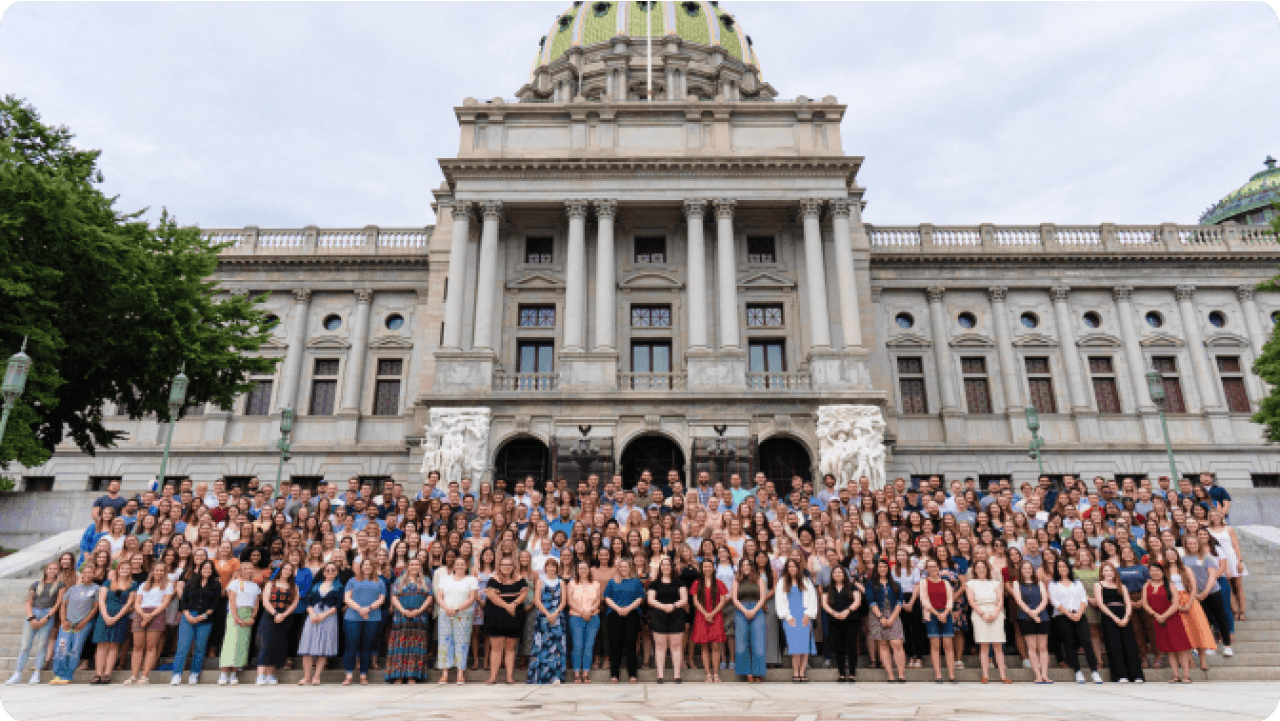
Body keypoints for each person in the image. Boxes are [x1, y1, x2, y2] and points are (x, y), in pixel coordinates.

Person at [8, 562, 65, 685]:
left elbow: (58, 603)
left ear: (58, 571)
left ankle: (37, 673)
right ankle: (17, 673)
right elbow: (28, 602)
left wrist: (47, 617)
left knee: (42, 645)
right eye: (50, 568)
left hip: (48, 613)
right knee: (25, 646)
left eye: (55, 569)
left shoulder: (60, 585)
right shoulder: (35, 584)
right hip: (33, 612)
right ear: (46, 570)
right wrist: (31, 618)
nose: (52, 570)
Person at [1048, 559, 1103, 684]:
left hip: (1079, 614)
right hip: (1062, 616)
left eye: (1064, 566)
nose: (1062, 568)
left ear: (1069, 568)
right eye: (1059, 566)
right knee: (1070, 643)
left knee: (1086, 641)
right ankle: (1077, 671)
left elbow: (1083, 598)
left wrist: (1078, 613)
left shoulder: (1077, 582)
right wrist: (1069, 614)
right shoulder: (1053, 583)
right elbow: (1055, 601)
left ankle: (1094, 671)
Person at [171, 560, 221, 685]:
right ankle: (176, 674)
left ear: (212, 570)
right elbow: (184, 600)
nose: (207, 570)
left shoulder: (216, 585)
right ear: (200, 569)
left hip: (205, 618)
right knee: (183, 646)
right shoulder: (191, 582)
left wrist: (201, 617)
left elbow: (214, 605)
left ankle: (194, 673)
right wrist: (187, 615)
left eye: (210, 568)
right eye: (205, 568)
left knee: (200, 647)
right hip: (188, 616)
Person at [49, 565, 100, 685]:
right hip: (67, 623)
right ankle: (58, 674)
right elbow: (63, 604)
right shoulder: (73, 588)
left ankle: (67, 675)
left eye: (90, 572)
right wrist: (63, 620)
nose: (87, 575)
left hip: (82, 624)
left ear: (94, 574)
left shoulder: (97, 588)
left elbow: (95, 608)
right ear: (81, 574)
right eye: (85, 572)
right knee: (61, 648)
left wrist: (84, 622)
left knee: (75, 650)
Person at [1142, 563, 1193, 683]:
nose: (1154, 572)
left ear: (1162, 572)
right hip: (1157, 620)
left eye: (1157, 570)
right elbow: (1145, 604)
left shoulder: (1170, 585)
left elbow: (1175, 604)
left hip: (1172, 618)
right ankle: (1175, 675)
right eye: (1152, 570)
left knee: (1181, 648)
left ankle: (1186, 675)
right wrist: (1156, 615)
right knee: (1169, 649)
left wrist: (1164, 615)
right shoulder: (1146, 586)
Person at [1093, 562, 1143, 683]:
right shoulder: (1098, 585)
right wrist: (1114, 617)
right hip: (1109, 616)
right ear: (1102, 573)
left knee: (1129, 645)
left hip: (1124, 615)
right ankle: (1121, 675)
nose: (1109, 573)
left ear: (1115, 573)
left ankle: (1136, 675)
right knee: (1114, 645)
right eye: (1106, 570)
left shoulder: (1122, 586)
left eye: (1111, 570)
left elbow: (1128, 603)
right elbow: (1100, 604)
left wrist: (1126, 617)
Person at [387, 557, 434, 684]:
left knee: (415, 647)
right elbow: (394, 597)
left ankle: (411, 675)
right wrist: (402, 610)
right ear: (408, 566)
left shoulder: (426, 580)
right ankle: (398, 675)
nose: (414, 567)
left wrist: (420, 610)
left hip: (419, 617)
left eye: (417, 564)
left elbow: (430, 597)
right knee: (400, 646)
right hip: (401, 617)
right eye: (412, 564)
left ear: (420, 566)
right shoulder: (399, 580)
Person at [125, 564, 174, 685]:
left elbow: (165, 603)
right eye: (156, 570)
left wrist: (150, 616)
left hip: (157, 613)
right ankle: (133, 676)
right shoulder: (143, 585)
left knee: (151, 647)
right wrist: (143, 614)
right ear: (152, 571)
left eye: (162, 570)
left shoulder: (168, 585)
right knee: (137, 647)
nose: (159, 572)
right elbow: (137, 602)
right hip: (141, 613)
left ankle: (145, 676)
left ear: (165, 572)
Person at [483, 555, 527, 684]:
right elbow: (491, 595)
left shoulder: (520, 579)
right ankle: (493, 677)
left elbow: (524, 594)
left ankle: (509, 677)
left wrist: (513, 604)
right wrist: (507, 606)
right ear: (499, 567)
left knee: (510, 648)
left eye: (509, 565)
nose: (506, 568)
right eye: (504, 565)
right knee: (496, 648)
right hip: (496, 616)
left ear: (514, 567)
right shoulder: (493, 579)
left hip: (514, 616)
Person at [298, 561, 343, 685]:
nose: (330, 572)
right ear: (323, 572)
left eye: (333, 570)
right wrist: (312, 613)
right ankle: (307, 676)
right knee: (307, 646)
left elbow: (338, 605)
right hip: (313, 615)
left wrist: (324, 615)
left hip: (329, 617)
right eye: (327, 570)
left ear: (337, 572)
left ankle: (317, 676)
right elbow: (308, 601)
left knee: (323, 646)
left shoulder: (339, 587)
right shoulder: (316, 585)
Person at [91, 564, 137, 685]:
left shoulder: (133, 585)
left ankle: (107, 674)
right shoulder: (108, 582)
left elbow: (129, 603)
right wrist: (105, 616)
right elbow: (101, 599)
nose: (125, 570)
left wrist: (116, 617)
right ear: (118, 570)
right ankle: (98, 674)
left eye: (127, 568)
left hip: (121, 616)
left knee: (113, 645)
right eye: (122, 568)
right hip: (104, 615)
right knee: (101, 645)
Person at [436, 555, 478, 684]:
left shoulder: (471, 580)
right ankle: (445, 673)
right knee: (444, 643)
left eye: (462, 564)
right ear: (453, 566)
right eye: (457, 564)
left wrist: (457, 609)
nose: (459, 566)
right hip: (445, 614)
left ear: (466, 566)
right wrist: (448, 608)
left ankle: (460, 673)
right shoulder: (444, 579)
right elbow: (439, 597)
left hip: (463, 615)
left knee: (462, 643)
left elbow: (472, 598)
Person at [255, 561, 298, 685]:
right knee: (266, 644)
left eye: (290, 570)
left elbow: (294, 603)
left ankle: (271, 674)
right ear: (281, 570)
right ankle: (260, 675)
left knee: (278, 645)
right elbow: (265, 601)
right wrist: (275, 614)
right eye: (286, 569)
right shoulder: (270, 583)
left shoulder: (294, 586)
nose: (287, 572)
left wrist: (284, 615)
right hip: (270, 615)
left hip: (285, 616)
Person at [603, 557, 645, 683]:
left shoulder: (636, 582)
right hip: (614, 614)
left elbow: (640, 598)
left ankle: (633, 675)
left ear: (630, 568)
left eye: (626, 566)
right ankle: (614, 675)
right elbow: (607, 598)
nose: (623, 569)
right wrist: (618, 609)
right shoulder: (612, 582)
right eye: (621, 567)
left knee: (630, 644)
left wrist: (627, 609)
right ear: (618, 568)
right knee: (615, 645)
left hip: (631, 614)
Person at [218, 563, 261, 685]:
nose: (248, 570)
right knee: (231, 643)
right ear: (240, 571)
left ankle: (234, 673)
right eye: (245, 568)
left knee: (242, 643)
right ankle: (224, 673)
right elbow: (232, 601)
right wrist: (236, 617)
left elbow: (256, 603)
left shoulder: (255, 586)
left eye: (250, 568)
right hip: (235, 613)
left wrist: (253, 617)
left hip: (248, 614)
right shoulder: (234, 583)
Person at [966, 559, 1008, 683]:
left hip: (995, 611)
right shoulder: (970, 583)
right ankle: (985, 675)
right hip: (980, 613)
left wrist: (995, 613)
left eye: (983, 567)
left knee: (998, 646)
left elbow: (1000, 600)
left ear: (987, 569)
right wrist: (982, 614)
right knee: (984, 646)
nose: (981, 570)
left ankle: (1003, 675)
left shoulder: (995, 583)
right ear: (974, 570)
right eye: (978, 567)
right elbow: (971, 601)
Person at [647, 555, 688, 683]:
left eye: (668, 565)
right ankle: (660, 675)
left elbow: (684, 599)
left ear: (671, 567)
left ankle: (677, 675)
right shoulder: (654, 583)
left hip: (676, 615)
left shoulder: (679, 582)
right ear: (660, 567)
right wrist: (663, 606)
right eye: (663, 565)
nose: (665, 567)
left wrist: (673, 605)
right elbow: (650, 600)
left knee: (676, 646)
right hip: (658, 616)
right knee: (660, 646)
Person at [731, 557, 771, 683]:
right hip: (741, 610)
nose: (746, 567)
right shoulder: (737, 580)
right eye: (743, 565)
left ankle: (758, 672)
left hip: (757, 610)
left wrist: (754, 610)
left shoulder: (759, 579)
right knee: (742, 644)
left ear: (752, 566)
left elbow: (763, 597)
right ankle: (747, 672)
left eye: (748, 564)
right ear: (740, 567)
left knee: (758, 643)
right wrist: (745, 610)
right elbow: (734, 599)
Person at [776, 557, 817, 683]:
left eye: (794, 566)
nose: (792, 568)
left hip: (804, 615)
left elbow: (813, 598)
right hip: (790, 617)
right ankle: (795, 672)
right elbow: (780, 600)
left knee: (804, 646)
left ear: (798, 568)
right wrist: (787, 617)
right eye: (789, 567)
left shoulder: (806, 581)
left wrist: (808, 614)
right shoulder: (782, 582)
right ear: (786, 569)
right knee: (794, 646)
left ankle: (802, 673)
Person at [867, 558, 906, 683]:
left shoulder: (896, 584)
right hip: (877, 615)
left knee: (897, 643)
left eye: (884, 567)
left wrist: (892, 618)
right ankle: (890, 675)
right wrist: (881, 618)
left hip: (893, 614)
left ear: (888, 569)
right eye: (879, 567)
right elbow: (871, 601)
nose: (882, 569)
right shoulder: (870, 584)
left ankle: (901, 674)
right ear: (876, 569)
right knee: (883, 644)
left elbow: (900, 602)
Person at [529, 557, 567, 685]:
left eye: (553, 566)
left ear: (557, 568)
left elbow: (563, 601)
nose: (551, 568)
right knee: (542, 646)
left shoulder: (561, 582)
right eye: (548, 566)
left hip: (557, 617)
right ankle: (541, 677)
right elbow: (537, 600)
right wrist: (547, 614)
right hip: (543, 616)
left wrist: (555, 613)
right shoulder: (540, 581)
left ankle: (556, 676)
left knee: (556, 648)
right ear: (545, 568)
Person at [1012, 560, 1051, 684]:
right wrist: (1032, 614)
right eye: (1024, 568)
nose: (1027, 571)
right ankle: (1038, 675)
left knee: (1043, 647)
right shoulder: (1017, 583)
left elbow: (1045, 600)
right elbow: (1019, 601)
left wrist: (1037, 612)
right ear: (1021, 570)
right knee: (1032, 647)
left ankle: (1045, 675)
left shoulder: (1039, 583)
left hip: (1042, 616)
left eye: (1029, 568)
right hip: (1025, 616)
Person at [821, 564, 862, 683]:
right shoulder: (827, 588)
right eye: (835, 573)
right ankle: (842, 673)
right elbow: (824, 603)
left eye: (840, 572)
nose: (837, 574)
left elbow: (857, 601)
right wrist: (834, 613)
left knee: (851, 646)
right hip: (834, 620)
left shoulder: (852, 586)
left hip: (851, 619)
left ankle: (852, 674)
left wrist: (846, 612)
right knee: (838, 647)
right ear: (832, 575)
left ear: (844, 574)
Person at [919, 558, 957, 684]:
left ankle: (952, 675)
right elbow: (924, 600)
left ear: (938, 567)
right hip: (932, 615)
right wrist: (937, 613)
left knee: (948, 645)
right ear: (927, 569)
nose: (933, 569)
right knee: (935, 646)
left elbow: (950, 599)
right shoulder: (924, 582)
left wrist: (945, 613)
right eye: (930, 567)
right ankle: (938, 675)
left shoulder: (945, 582)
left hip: (946, 614)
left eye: (934, 566)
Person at [690, 558, 728, 682]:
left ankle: (716, 674)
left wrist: (712, 613)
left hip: (716, 616)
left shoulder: (719, 583)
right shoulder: (696, 583)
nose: (707, 569)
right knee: (704, 646)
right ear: (701, 569)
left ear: (713, 569)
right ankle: (708, 674)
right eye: (705, 566)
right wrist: (706, 613)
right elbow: (695, 601)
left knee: (716, 646)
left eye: (709, 566)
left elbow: (722, 601)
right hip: (702, 616)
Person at [567, 559, 602, 683]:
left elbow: (598, 600)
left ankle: (586, 673)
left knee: (589, 646)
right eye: (580, 568)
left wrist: (590, 611)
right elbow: (569, 601)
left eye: (585, 568)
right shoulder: (572, 583)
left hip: (593, 617)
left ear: (588, 570)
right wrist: (582, 612)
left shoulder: (596, 584)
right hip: (576, 617)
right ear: (577, 570)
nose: (583, 570)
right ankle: (577, 673)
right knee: (577, 645)